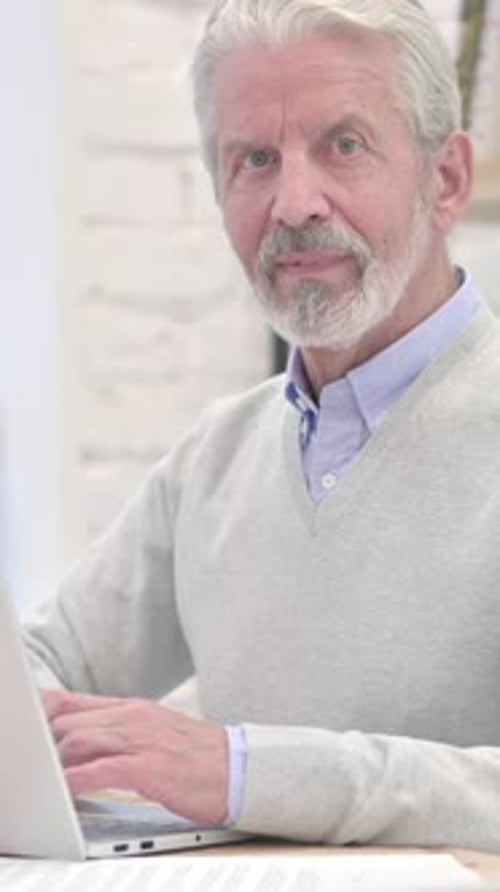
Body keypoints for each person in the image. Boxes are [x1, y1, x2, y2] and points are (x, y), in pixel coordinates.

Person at [24, 0, 500, 851]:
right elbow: (40, 670)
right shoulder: (214, 460)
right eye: (254, 159)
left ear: (446, 180)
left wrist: (247, 772)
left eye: (344, 145)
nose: (293, 203)